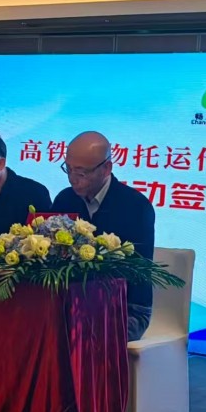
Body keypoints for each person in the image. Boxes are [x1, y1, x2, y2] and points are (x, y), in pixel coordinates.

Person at [51, 131, 156, 341]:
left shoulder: (135, 206)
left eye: (81, 173)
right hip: (72, 302)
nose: (73, 179)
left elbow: (135, 273)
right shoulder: (65, 200)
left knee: (80, 335)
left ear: (106, 168)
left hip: (126, 307)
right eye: (68, 169)